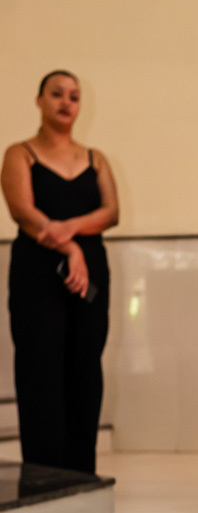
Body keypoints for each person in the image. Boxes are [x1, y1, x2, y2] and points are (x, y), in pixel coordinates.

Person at [1, 70, 118, 474]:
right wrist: (69, 247)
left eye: (74, 96)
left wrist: (69, 231)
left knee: (86, 365)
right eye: (56, 94)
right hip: (37, 272)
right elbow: (23, 212)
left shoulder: (95, 158)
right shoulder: (19, 154)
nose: (66, 102)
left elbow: (111, 212)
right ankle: (43, 474)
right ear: (39, 101)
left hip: (91, 275)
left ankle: (83, 473)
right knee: (40, 366)